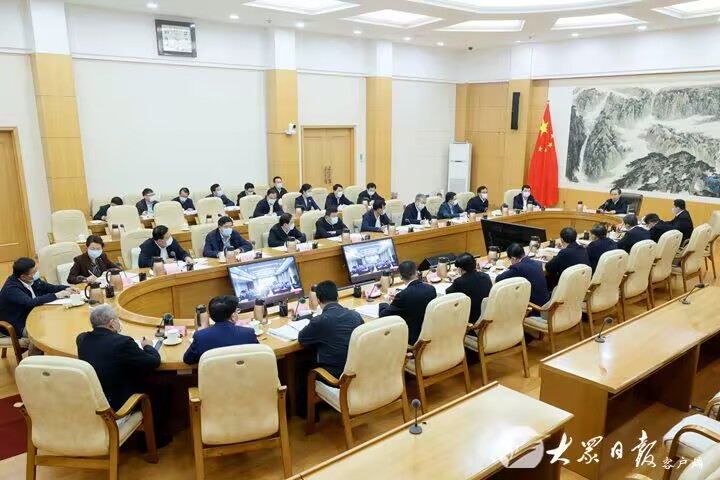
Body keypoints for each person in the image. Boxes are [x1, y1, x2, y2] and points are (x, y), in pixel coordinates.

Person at [76, 305, 171, 447]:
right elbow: (154, 362)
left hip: (94, 401)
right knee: (160, 391)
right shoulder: (122, 342)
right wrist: (148, 346)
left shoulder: (82, 339)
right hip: (116, 405)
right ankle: (149, 442)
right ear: (111, 324)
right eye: (117, 319)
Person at [0, 257, 75, 350]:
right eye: (34, 272)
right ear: (23, 276)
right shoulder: (11, 289)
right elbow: (30, 302)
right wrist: (57, 295)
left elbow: (48, 287)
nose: (37, 274)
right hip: (19, 323)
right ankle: (34, 357)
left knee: (62, 322)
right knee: (41, 335)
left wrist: (66, 288)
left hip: (36, 314)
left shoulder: (30, 279)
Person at [298, 280, 363, 378]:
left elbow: (302, 339)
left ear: (318, 300)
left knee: (302, 366)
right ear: (337, 297)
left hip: (335, 378)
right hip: (356, 374)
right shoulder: (355, 315)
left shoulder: (319, 321)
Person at [183, 295, 258, 365]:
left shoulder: (200, 336)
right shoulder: (248, 333)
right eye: (236, 311)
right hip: (244, 374)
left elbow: (187, 360)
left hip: (214, 375)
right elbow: (259, 355)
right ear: (232, 316)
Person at [378, 260, 436, 345]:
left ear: (401, 277)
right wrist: (397, 300)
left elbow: (383, 316)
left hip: (412, 338)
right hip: (431, 333)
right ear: (416, 273)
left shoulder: (402, 296)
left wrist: (384, 303)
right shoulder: (431, 289)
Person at [446, 253, 492, 325]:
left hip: (471, 319)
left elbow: (448, 292)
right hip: (487, 314)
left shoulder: (459, 282)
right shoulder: (485, 276)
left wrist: (457, 279)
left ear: (460, 269)